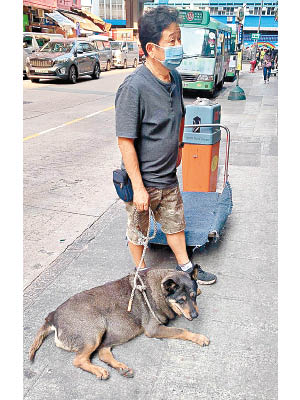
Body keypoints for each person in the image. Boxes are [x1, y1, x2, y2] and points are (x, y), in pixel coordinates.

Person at [115, 6, 217, 284]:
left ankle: (185, 267)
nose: (179, 46)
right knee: (138, 230)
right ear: (151, 48)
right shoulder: (133, 87)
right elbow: (125, 141)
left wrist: (180, 147)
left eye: (179, 38)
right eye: (172, 40)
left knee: (175, 222)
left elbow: (180, 116)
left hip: (167, 176)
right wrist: (137, 187)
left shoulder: (175, 79)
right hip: (143, 180)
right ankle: (141, 274)